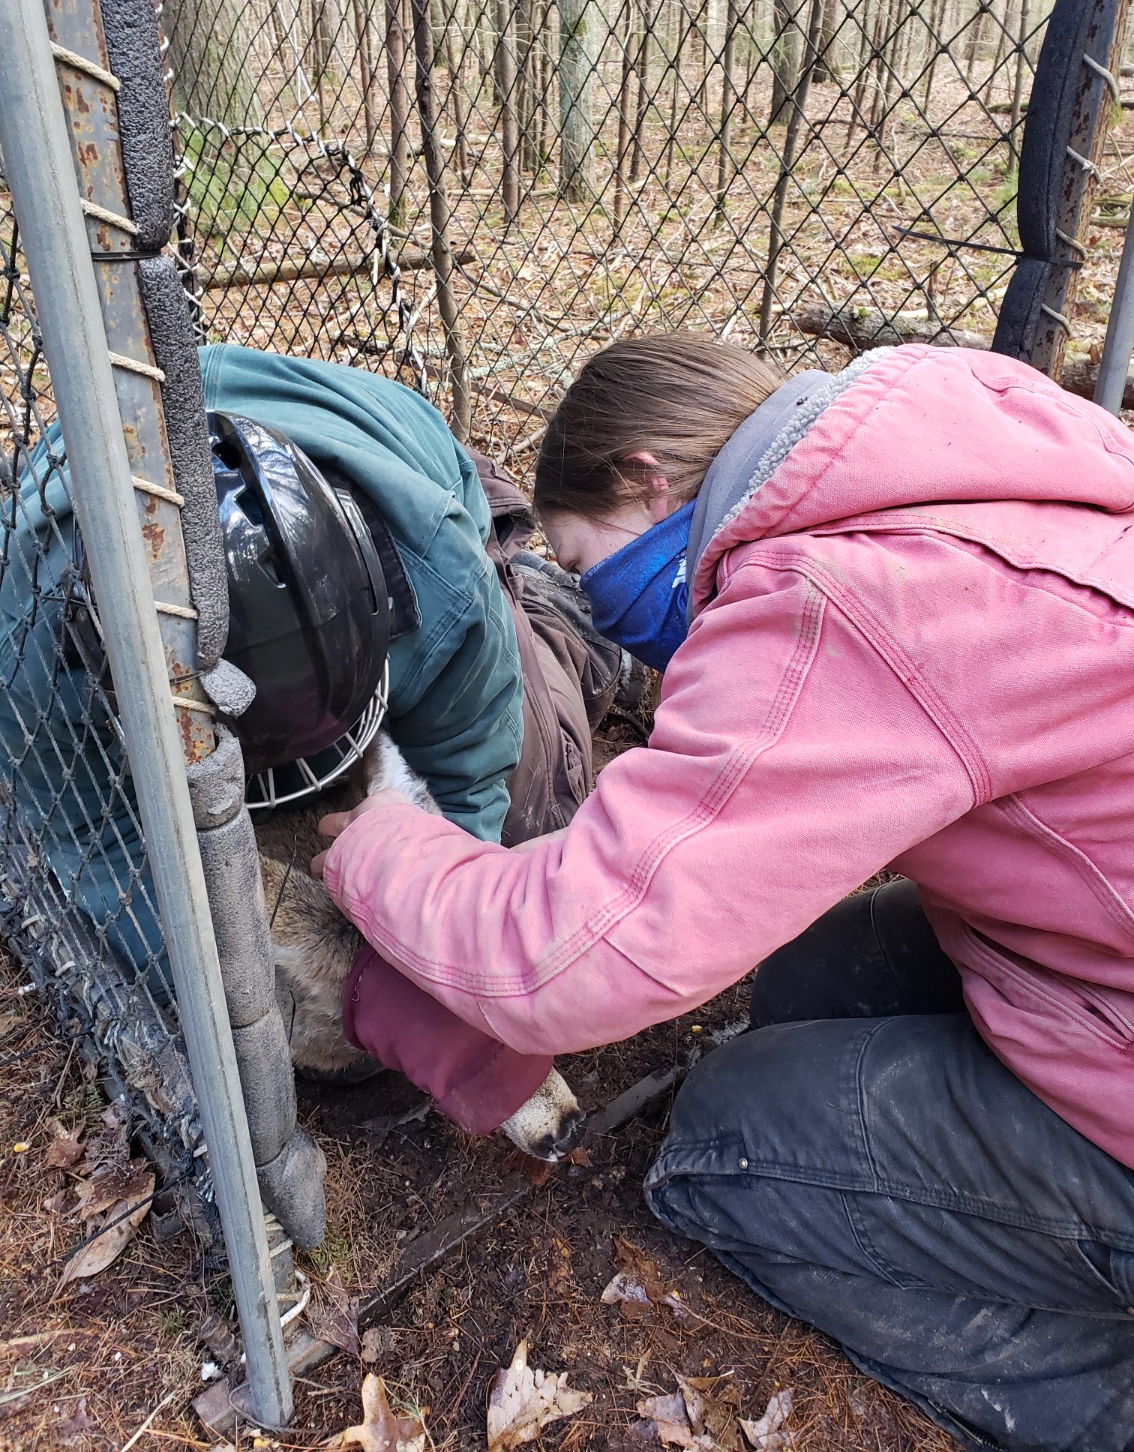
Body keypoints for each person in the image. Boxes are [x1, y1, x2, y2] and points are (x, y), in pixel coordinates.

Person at [310, 335, 1134, 1452]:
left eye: (593, 569)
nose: (608, 616)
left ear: (652, 482)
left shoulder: (837, 598)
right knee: (804, 977)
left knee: (719, 1148)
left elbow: (576, 954)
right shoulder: (950, 429)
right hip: (1095, 944)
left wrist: (378, 849)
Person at [0, 343, 638, 1138]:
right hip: (134, 506)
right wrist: (235, 974)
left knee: (539, 808)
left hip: (405, 463)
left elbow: (476, 774)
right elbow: (91, 851)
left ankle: (553, 607)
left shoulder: (432, 571)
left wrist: (439, 931)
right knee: (305, 1032)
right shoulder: (32, 650)